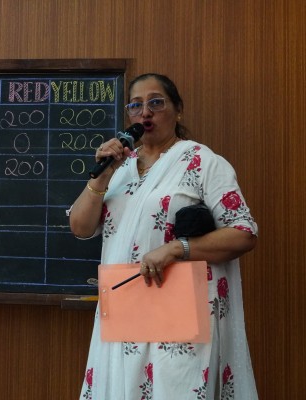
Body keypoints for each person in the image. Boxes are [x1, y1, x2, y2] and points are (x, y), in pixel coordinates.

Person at [68, 73, 258, 399]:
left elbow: (244, 233)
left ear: (178, 110)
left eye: (156, 102)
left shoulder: (202, 162)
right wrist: (102, 177)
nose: (145, 112)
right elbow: (80, 228)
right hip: (125, 310)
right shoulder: (119, 167)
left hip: (179, 317)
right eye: (136, 105)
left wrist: (176, 249)